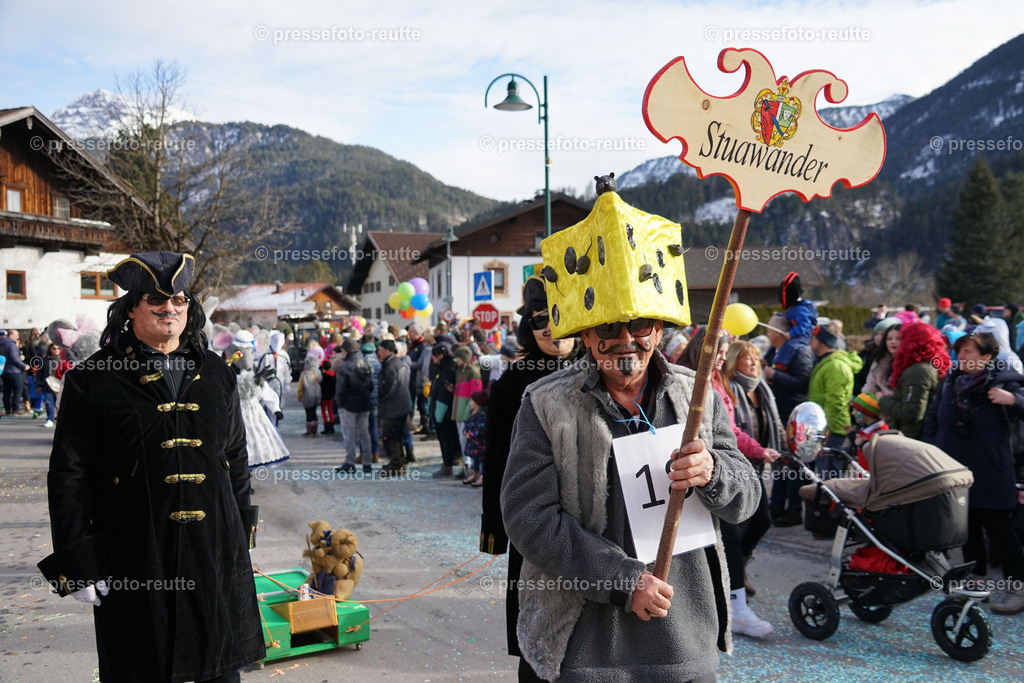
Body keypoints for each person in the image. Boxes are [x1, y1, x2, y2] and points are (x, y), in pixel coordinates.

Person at [501, 181, 761, 681]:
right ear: (585, 334)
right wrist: (625, 580)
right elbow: (529, 518)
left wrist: (712, 472)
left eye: (640, 325)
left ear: (660, 329)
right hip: (583, 653)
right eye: (608, 328)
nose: (626, 341)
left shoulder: (696, 394)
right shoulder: (547, 404)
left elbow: (744, 498)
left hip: (685, 647)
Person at [37, 251, 263, 682]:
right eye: (157, 302)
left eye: (179, 302)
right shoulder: (93, 379)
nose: (171, 310)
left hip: (212, 548)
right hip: (135, 553)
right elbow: (70, 473)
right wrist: (77, 559)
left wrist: (241, 531)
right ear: (131, 309)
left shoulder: (217, 374)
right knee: (143, 663)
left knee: (218, 664)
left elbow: (234, 456)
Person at [479, 276, 579, 668]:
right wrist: (494, 530)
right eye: (539, 321)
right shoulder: (511, 385)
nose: (550, 328)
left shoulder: (597, 372)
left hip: (590, 513)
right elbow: (497, 457)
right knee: (537, 620)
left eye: (557, 316)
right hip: (534, 516)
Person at [684, 330, 778, 638]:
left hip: (729, 466)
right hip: (699, 473)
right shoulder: (689, 381)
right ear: (702, 349)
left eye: (725, 351)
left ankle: (733, 576)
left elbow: (730, 431)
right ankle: (736, 608)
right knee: (728, 537)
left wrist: (755, 450)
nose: (722, 356)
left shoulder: (721, 383)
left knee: (760, 519)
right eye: (718, 350)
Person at [923, 331, 1024, 615]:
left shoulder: (1006, 381)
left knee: (1000, 531)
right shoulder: (952, 380)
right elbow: (933, 416)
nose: (961, 357)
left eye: (969, 352)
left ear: (987, 357)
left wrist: (1013, 401)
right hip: (955, 469)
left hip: (991, 470)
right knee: (966, 529)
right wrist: (932, 447)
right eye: (960, 352)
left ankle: (1018, 587)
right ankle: (977, 583)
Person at [723, 339, 784, 601]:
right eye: (747, 358)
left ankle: (741, 563)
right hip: (739, 464)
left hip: (759, 464)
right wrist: (758, 450)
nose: (753, 363)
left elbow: (776, 423)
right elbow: (731, 431)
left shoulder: (763, 390)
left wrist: (788, 448)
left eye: (755, 358)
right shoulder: (730, 389)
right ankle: (734, 579)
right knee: (739, 526)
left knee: (763, 521)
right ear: (734, 361)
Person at [761, 313, 815, 525]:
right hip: (778, 411)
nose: (766, 332)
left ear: (778, 332)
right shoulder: (776, 350)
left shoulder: (798, 351)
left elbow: (802, 384)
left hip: (792, 414)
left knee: (792, 462)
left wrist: (774, 375)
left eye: (769, 328)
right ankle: (776, 505)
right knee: (779, 460)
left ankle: (793, 510)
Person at [806, 323, 863, 479]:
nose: (809, 342)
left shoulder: (836, 366)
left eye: (813, 338)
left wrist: (825, 431)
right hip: (825, 429)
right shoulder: (826, 362)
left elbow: (836, 403)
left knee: (830, 478)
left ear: (822, 342)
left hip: (832, 429)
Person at [877, 322, 949, 440]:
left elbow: (912, 413)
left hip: (912, 438)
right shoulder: (925, 367)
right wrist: (895, 397)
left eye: (902, 339)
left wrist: (883, 401)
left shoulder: (918, 371)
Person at [335, 338, 374, 474]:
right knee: (364, 433)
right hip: (364, 403)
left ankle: (350, 462)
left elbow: (340, 388)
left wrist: (340, 404)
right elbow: (371, 385)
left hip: (349, 404)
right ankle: (367, 463)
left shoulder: (346, 366)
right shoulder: (366, 364)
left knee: (349, 434)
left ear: (346, 350)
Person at [377, 339, 412, 475]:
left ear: (387, 351)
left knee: (391, 436)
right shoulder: (398, 363)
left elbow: (388, 387)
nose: (378, 353)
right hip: (401, 405)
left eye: (380, 350)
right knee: (397, 436)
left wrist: (380, 398)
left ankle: (397, 464)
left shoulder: (390, 365)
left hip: (393, 407)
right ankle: (399, 463)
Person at [427, 344, 461, 477]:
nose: (432, 358)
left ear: (440, 356)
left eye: (434, 355)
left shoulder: (448, 370)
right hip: (440, 409)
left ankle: (448, 466)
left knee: (446, 440)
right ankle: (448, 463)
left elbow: (444, 393)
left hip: (444, 410)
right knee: (446, 439)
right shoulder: (443, 368)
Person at [453, 345, 484, 479]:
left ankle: (471, 468)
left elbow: (474, 395)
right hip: (458, 410)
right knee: (461, 440)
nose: (456, 360)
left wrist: (469, 413)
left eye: (458, 357)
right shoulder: (459, 371)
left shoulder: (473, 372)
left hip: (466, 412)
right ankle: (466, 466)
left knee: (466, 440)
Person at [862, 322, 901, 395]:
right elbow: (870, 385)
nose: (893, 342)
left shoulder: (910, 363)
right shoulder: (879, 360)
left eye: (898, 338)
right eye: (889, 339)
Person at [462, 389, 489, 487]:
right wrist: (465, 430)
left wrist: (472, 434)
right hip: (473, 442)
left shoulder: (483, 414)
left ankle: (482, 476)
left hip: (480, 442)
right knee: (475, 459)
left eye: (472, 401)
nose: (470, 403)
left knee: (482, 460)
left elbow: (482, 428)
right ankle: (475, 473)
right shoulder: (472, 412)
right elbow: (468, 423)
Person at [1, 328, 28, 416]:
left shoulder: (1, 344)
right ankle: (15, 408)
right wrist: (24, 365)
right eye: (16, 336)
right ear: (11, 336)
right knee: (18, 389)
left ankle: (8, 408)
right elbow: (14, 358)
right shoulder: (11, 345)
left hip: (4, 371)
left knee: (7, 390)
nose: (17, 337)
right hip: (14, 370)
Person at [296, 354, 322, 437]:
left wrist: (299, 396)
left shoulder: (304, 374)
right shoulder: (318, 372)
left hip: (307, 395)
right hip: (317, 395)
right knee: (314, 412)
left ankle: (309, 431)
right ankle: (315, 430)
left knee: (309, 413)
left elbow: (301, 386)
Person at [319, 359, 337, 434]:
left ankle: (326, 426)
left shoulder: (323, 376)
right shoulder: (333, 374)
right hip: (331, 395)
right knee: (330, 410)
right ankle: (332, 426)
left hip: (324, 396)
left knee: (323, 411)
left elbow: (321, 385)